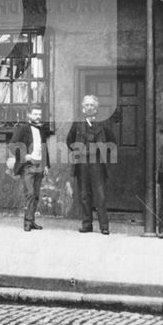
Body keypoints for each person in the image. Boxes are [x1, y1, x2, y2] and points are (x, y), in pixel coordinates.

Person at [66, 94, 116, 235]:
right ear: (83, 108)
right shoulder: (78, 123)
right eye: (86, 105)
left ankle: (104, 226)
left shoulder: (104, 123)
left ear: (96, 108)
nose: (89, 108)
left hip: (97, 164)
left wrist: (101, 151)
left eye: (92, 105)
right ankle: (87, 224)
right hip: (82, 163)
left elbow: (112, 142)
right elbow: (69, 140)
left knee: (100, 195)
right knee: (84, 194)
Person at [9, 105, 50, 232]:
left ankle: (32, 221)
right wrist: (24, 156)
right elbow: (13, 145)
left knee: (36, 195)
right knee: (30, 194)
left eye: (39, 114)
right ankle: (27, 222)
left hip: (39, 165)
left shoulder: (41, 129)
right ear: (29, 115)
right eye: (35, 114)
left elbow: (44, 147)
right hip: (27, 166)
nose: (38, 116)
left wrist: (46, 164)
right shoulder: (23, 128)